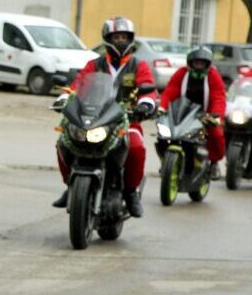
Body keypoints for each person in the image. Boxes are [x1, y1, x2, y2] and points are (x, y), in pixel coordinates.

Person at [51, 16, 157, 218]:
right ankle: (70, 185)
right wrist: (64, 98)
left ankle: (130, 192)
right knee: (64, 141)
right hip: (94, 118)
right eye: (116, 36)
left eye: (125, 37)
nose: (121, 41)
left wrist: (146, 103)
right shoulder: (95, 64)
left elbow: (149, 89)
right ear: (107, 38)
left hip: (127, 119)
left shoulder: (138, 65)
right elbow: (77, 85)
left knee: (135, 147)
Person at [157, 46, 226, 180]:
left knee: (216, 134)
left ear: (208, 64)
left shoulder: (213, 75)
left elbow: (218, 97)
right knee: (163, 134)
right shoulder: (181, 73)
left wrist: (216, 115)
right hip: (182, 112)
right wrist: (161, 108)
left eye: (202, 63)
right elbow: (170, 91)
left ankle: (214, 163)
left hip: (205, 114)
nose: (199, 66)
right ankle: (166, 161)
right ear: (190, 63)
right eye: (196, 63)